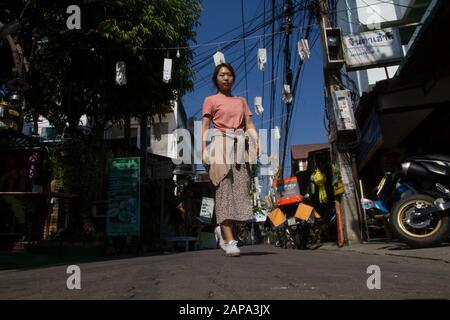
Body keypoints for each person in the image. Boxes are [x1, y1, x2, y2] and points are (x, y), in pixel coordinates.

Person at [202, 63, 260, 257]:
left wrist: (257, 142)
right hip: (220, 146)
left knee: (240, 192)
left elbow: (249, 124)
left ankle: (222, 230)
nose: (225, 77)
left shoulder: (241, 101)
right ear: (216, 79)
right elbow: (205, 126)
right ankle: (230, 239)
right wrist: (203, 150)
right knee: (224, 191)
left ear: (233, 78)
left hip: (240, 149)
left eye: (228, 74)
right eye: (221, 75)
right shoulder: (210, 100)